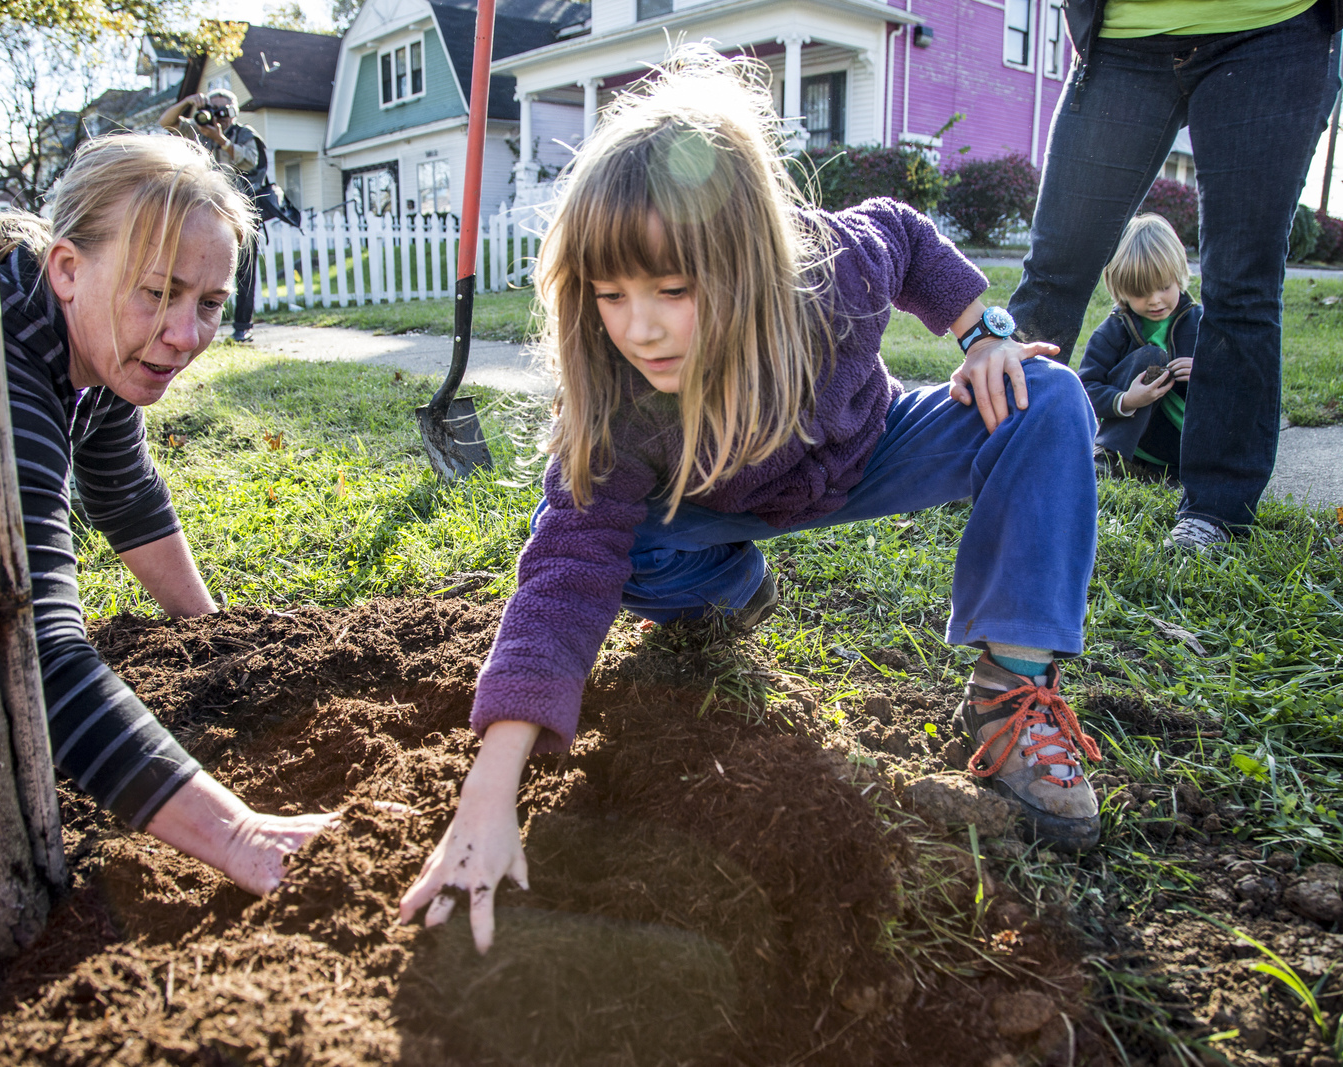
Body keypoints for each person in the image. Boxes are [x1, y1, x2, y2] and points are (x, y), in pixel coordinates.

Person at [399, 49, 1106, 955]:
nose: (640, 326)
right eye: (611, 295)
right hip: (717, 505)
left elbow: (907, 234)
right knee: (629, 554)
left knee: (1045, 400)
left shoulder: (835, 269)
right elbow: (565, 573)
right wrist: (487, 794)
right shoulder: (618, 400)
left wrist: (982, 333)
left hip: (868, 449)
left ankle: (1012, 688)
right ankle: (729, 590)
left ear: (753, 260)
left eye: (672, 290)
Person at [0, 134, 337, 895]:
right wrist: (239, 833)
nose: (184, 336)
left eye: (209, 303)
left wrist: (214, 637)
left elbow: (125, 494)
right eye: (158, 292)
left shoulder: (90, 335)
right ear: (68, 267)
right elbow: (31, 649)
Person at [1007, 0, 1343, 551]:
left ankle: (1214, 512)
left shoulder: (1189, 318)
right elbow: (1090, 374)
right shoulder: (1120, 328)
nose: (1154, 299)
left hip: (1274, 30)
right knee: (1054, 270)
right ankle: (990, 456)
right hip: (1122, 38)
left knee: (1241, 286)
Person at [1077, 214, 1201, 480]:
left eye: (1164, 287)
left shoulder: (1202, 323)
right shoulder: (1112, 332)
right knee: (1152, 356)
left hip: (1193, 447)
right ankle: (1108, 455)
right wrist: (1127, 400)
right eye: (1140, 292)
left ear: (1179, 276)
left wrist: (1207, 372)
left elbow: (1238, 377)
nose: (1154, 301)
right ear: (1120, 289)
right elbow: (1086, 389)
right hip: (1139, 444)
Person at [160, 88, 266, 343]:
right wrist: (188, 102)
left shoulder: (244, 134)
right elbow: (166, 122)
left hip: (242, 211)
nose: (218, 116)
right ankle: (193, 322)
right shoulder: (198, 130)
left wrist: (222, 141)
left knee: (244, 271)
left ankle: (243, 325)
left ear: (234, 112)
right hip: (206, 210)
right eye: (213, 109)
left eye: (223, 110)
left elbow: (251, 161)